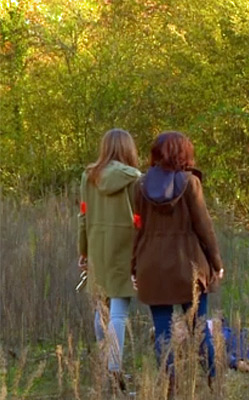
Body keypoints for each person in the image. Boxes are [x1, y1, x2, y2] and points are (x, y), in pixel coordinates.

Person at [131, 131, 225, 391]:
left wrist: (133, 267)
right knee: (198, 327)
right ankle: (215, 383)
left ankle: (168, 387)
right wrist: (216, 263)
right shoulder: (190, 183)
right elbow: (204, 227)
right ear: (184, 153)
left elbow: (137, 228)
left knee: (162, 330)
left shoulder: (139, 185)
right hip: (188, 265)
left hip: (151, 265)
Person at [77, 128, 141, 391]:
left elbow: (83, 214)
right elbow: (140, 218)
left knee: (101, 305)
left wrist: (83, 250)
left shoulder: (88, 177)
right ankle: (114, 368)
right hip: (125, 247)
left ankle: (107, 363)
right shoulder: (135, 178)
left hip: (98, 245)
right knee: (118, 308)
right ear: (128, 149)